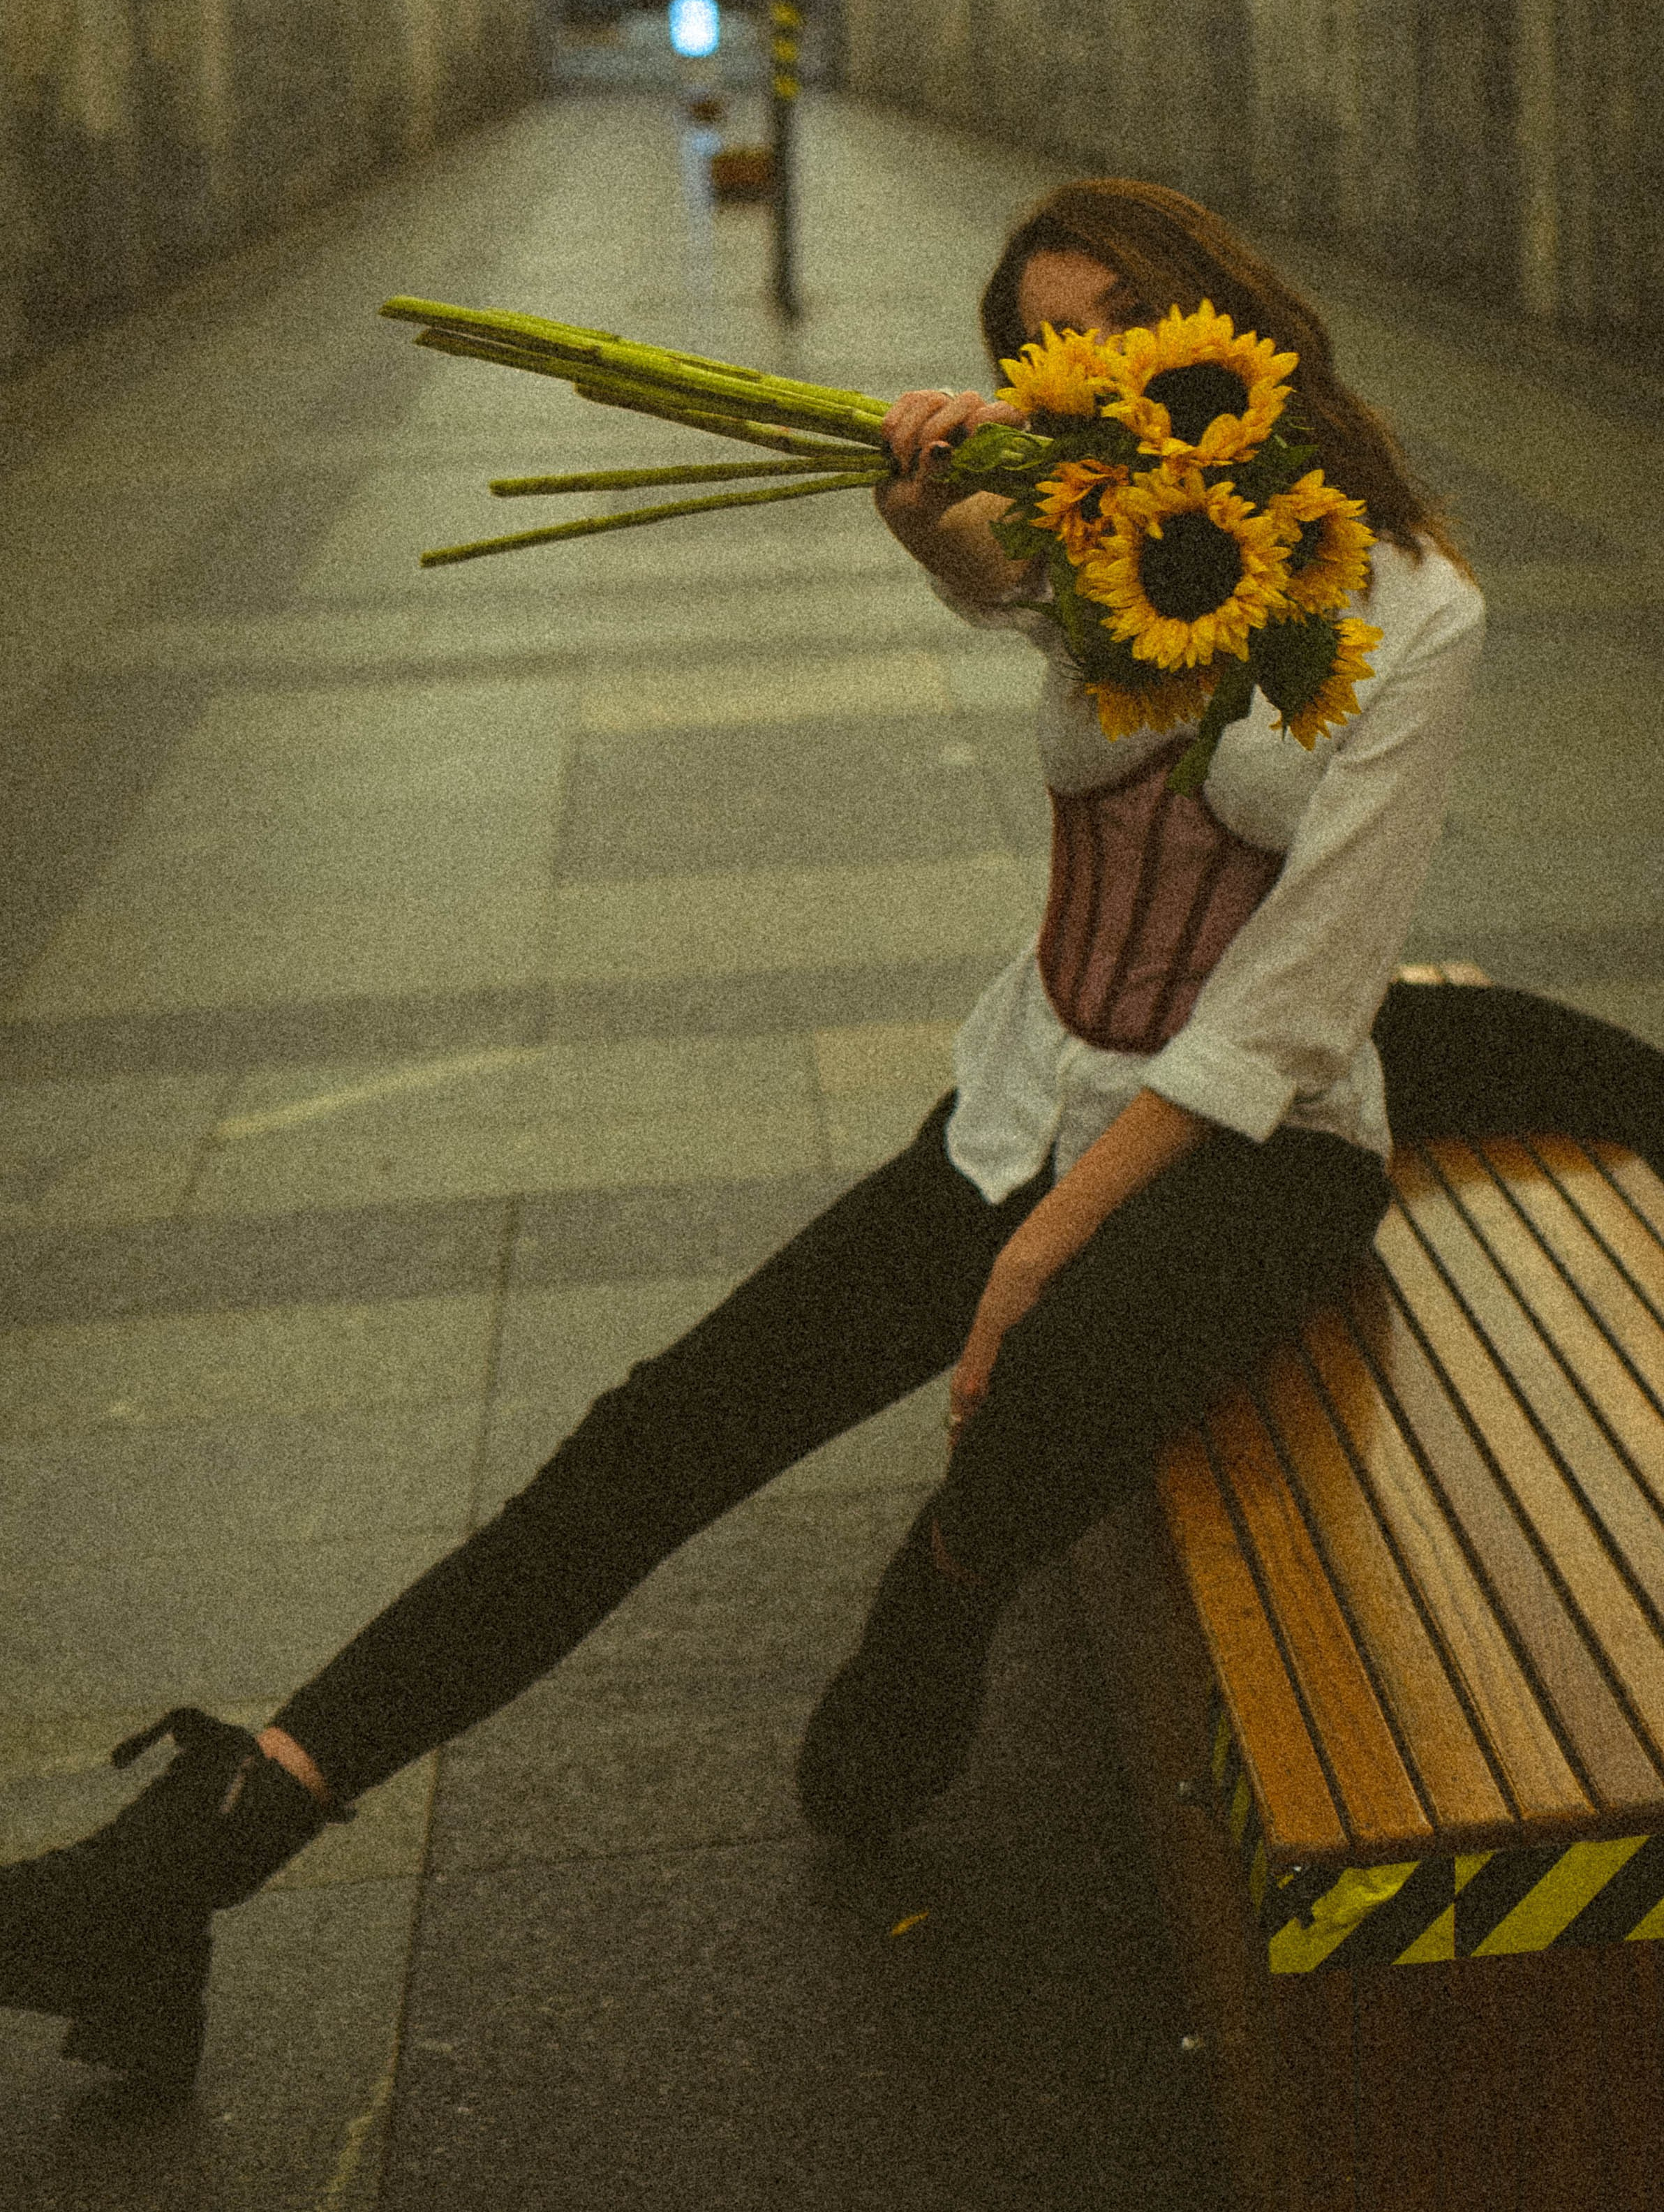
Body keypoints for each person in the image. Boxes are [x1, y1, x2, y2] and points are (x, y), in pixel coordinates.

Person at [0, 176, 1580, 2112]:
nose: (1076, 379)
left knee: (1039, 1382)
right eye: (1039, 352)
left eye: (1118, 328)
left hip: (1253, 1157)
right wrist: (922, 517)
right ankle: (198, 1852)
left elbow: (1300, 1006)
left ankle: (938, 1598)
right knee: (655, 1434)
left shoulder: (1419, 611)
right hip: (1030, 1089)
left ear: (1219, 326)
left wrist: (1026, 1249)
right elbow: (1005, 589)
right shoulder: (1104, 529)